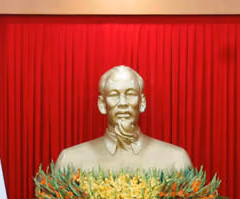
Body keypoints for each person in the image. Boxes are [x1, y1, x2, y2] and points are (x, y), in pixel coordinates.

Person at [54, 65, 193, 172]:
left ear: (142, 102)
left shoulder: (175, 160)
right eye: (114, 95)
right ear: (102, 104)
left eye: (130, 94)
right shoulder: (70, 161)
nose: (123, 103)